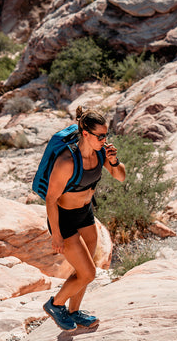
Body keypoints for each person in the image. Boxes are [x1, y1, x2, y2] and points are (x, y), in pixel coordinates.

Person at [43, 106, 126, 331]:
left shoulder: (101, 153)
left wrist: (114, 161)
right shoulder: (66, 161)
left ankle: (74, 311)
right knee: (88, 273)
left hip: (85, 214)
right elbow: (51, 199)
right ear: (86, 134)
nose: (104, 139)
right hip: (64, 219)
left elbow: (120, 177)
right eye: (100, 136)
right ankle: (55, 304)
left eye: (105, 135)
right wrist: (57, 235)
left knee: (84, 270)